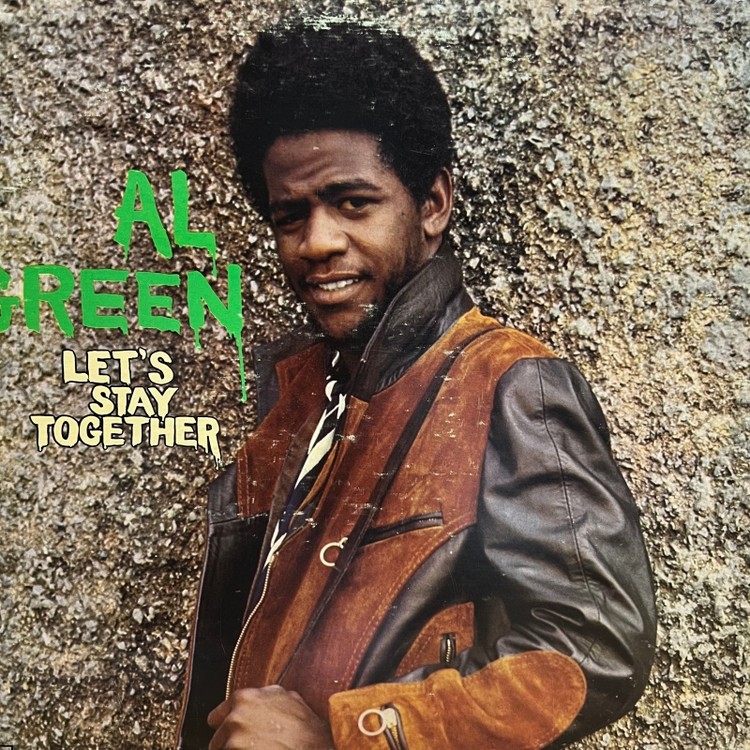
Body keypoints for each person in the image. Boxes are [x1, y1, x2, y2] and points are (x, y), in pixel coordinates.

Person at [176, 20, 656, 750]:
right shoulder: (298, 394)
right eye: (290, 215)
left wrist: (343, 738)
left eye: (353, 203)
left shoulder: (509, 383)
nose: (317, 242)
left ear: (432, 204)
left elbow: (596, 648)